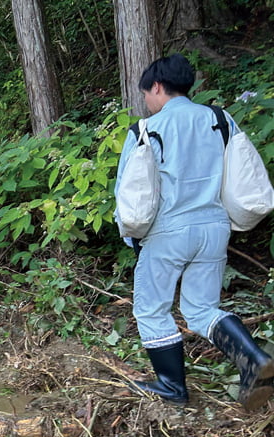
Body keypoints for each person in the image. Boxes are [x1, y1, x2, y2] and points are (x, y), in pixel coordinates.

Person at [114, 53, 274, 411]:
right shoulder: (220, 119)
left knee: (152, 310)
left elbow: (130, 190)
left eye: (146, 94)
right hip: (215, 229)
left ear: (156, 86)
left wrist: (132, 237)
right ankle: (254, 358)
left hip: (168, 231)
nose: (146, 102)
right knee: (202, 309)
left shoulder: (146, 129)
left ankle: (172, 385)